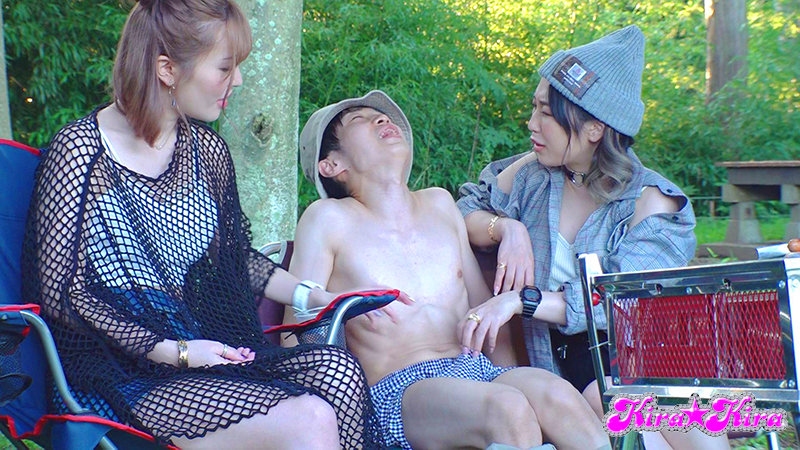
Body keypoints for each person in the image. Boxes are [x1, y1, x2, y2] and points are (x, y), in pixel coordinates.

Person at [21, 1, 382, 448]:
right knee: (309, 419)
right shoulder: (81, 150)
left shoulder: (206, 151)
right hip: (117, 367)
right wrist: (175, 352)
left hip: (197, 342)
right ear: (167, 69)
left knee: (338, 372)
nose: (238, 80)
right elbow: (63, 296)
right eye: (226, 68)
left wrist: (312, 295)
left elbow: (233, 258)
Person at [457, 25, 729, 449]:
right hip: (554, 375)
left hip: (642, 365)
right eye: (534, 108)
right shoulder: (532, 176)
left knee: (649, 414)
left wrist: (520, 300)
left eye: (546, 113)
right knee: (600, 404)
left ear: (594, 129)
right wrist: (506, 227)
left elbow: (619, 298)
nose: (531, 124)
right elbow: (462, 212)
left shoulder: (652, 201)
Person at [292, 90, 610, 449]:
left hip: (476, 371)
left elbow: (487, 316)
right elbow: (295, 332)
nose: (381, 119)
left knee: (558, 395)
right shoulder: (327, 219)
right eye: (358, 120)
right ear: (331, 165)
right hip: (399, 390)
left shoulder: (440, 204)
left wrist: (512, 372)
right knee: (508, 408)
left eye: (382, 116)